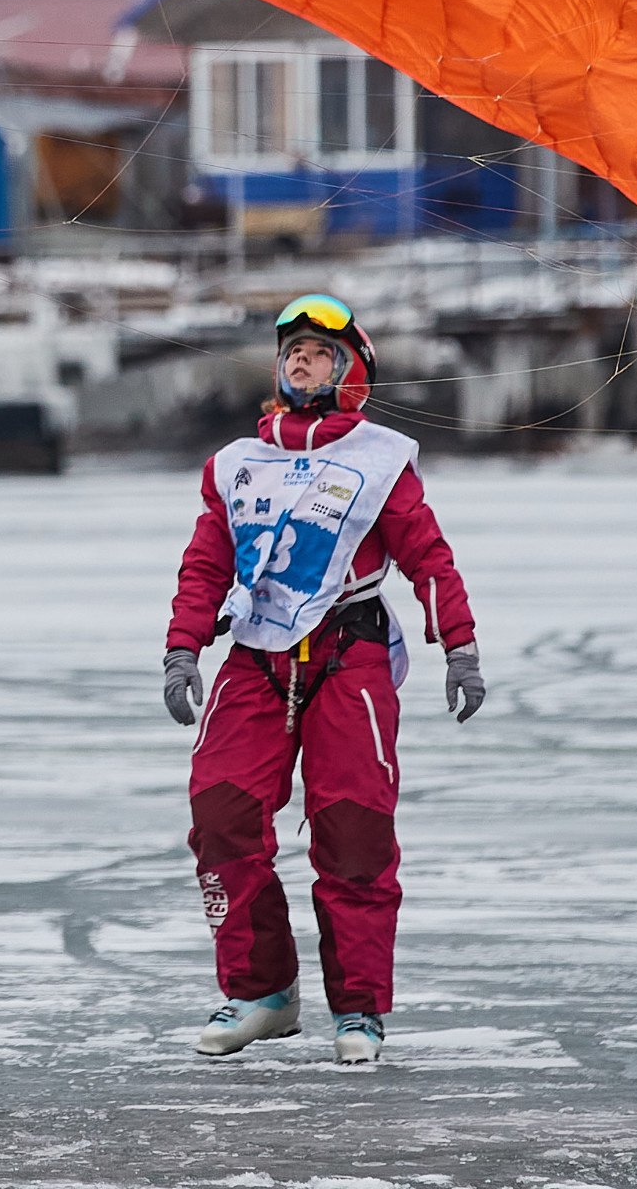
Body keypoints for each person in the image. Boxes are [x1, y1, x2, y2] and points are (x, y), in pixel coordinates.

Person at [161, 293, 484, 1063]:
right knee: (220, 812)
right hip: (255, 659)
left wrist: (460, 646)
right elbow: (207, 564)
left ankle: (360, 1011)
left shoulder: (379, 460)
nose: (299, 360)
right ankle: (261, 993)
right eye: (291, 351)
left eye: (318, 352)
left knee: (354, 828)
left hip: (351, 657)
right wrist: (181, 648)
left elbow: (428, 557)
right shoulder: (240, 465)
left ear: (349, 375)